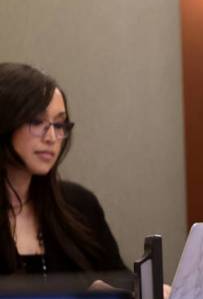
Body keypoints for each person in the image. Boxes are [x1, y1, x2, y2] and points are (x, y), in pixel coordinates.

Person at [0, 63, 127, 276]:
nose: (51, 137)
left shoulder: (79, 204)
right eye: (37, 121)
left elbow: (121, 285)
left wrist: (146, 293)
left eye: (59, 125)